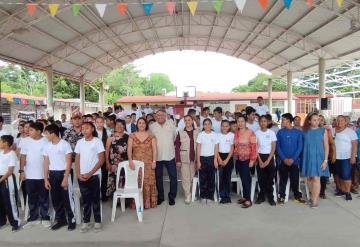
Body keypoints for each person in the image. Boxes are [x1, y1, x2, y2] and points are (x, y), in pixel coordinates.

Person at [43, 124, 76, 231]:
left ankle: (72, 220)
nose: (45, 135)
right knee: (56, 199)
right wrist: (46, 179)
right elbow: (46, 162)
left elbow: (69, 162)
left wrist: (66, 177)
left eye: (46, 133)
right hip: (52, 174)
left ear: (53, 133)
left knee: (67, 199)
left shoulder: (64, 144)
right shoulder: (47, 146)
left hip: (64, 173)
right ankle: (61, 220)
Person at [74, 122, 105, 233]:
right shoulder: (79, 142)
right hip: (81, 176)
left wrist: (90, 173)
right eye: (82, 128)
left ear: (92, 129)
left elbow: (101, 160)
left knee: (95, 199)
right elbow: (77, 160)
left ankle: (97, 221)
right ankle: (86, 221)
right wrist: (78, 174)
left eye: (87, 128)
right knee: (86, 200)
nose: (84, 130)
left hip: (94, 175)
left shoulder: (97, 142)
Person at [20, 122, 51, 229]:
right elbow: (23, 157)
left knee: (44, 197)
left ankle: (45, 217)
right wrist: (21, 171)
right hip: (29, 175)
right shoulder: (25, 141)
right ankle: (33, 218)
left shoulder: (46, 141)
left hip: (43, 175)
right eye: (29, 130)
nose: (29, 131)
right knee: (32, 198)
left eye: (31, 130)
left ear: (39, 131)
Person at [128, 118, 157, 209]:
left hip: (148, 164)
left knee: (148, 182)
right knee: (138, 182)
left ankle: (148, 203)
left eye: (143, 123)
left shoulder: (151, 136)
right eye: (139, 123)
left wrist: (154, 161)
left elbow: (155, 150)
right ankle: (137, 203)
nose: (141, 125)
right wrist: (130, 161)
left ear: (146, 125)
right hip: (136, 164)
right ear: (137, 124)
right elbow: (129, 150)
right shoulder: (132, 136)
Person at [301, 112, 329, 208]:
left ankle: (314, 200)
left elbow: (326, 146)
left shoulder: (323, 131)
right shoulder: (304, 131)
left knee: (316, 178)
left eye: (318, 120)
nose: (317, 122)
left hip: (319, 158)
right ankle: (313, 196)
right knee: (309, 179)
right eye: (314, 120)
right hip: (308, 157)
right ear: (309, 121)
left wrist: (325, 160)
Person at [276, 113, 306, 205]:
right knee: (283, 180)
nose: (282, 122)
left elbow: (300, 147)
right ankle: (281, 196)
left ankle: (297, 196)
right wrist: (284, 159)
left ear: (289, 120)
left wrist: (293, 159)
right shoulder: (280, 132)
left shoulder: (298, 133)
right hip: (283, 161)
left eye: (283, 120)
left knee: (295, 179)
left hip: (295, 161)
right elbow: (278, 147)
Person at [149, 110, 177, 206]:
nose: (160, 116)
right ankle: (160, 197)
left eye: (162, 114)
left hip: (170, 155)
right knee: (158, 178)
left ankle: (172, 197)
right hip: (157, 157)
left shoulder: (171, 125)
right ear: (155, 116)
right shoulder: (152, 127)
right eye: (158, 115)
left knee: (173, 177)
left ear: (165, 115)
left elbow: (174, 138)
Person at [233, 115, 257, 208]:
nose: (240, 123)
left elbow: (254, 147)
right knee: (242, 179)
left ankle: (248, 200)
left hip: (247, 160)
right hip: (239, 159)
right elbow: (236, 146)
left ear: (245, 122)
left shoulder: (251, 133)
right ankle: (245, 196)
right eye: (238, 121)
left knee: (246, 179)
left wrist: (252, 160)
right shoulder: (236, 132)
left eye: (242, 121)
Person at [175, 115, 200, 204]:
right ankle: (187, 195)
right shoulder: (180, 132)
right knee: (185, 177)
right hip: (184, 159)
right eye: (185, 120)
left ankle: (193, 193)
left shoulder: (197, 132)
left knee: (193, 177)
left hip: (195, 159)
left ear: (192, 121)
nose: (187, 122)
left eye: (189, 120)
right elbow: (177, 147)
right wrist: (178, 160)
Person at [333, 115, 357, 201]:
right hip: (335, 157)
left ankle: (347, 192)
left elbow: (354, 145)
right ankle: (341, 190)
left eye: (342, 120)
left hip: (346, 157)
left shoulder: (350, 132)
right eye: (338, 120)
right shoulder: (333, 130)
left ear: (345, 122)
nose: (340, 122)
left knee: (346, 175)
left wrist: (353, 157)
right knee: (338, 175)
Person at [255, 115, 277, 206]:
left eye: (265, 121)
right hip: (260, 157)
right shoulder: (256, 133)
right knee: (261, 179)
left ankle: (271, 197)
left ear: (268, 122)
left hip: (270, 157)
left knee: (270, 179)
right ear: (259, 122)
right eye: (261, 121)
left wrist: (268, 160)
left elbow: (273, 148)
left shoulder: (271, 133)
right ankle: (261, 196)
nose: (263, 123)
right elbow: (255, 148)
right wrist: (260, 161)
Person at [196, 118, 219, 204]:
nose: (207, 126)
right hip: (202, 158)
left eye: (208, 124)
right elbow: (198, 148)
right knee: (202, 178)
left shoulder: (215, 135)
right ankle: (203, 196)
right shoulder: (201, 135)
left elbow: (216, 147)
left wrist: (215, 159)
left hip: (211, 158)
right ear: (203, 126)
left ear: (211, 125)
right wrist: (198, 161)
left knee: (211, 178)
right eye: (205, 124)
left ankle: (210, 196)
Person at [0, 135, 20, 231]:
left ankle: (15, 222)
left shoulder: (11, 153)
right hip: (0, 178)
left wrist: (1, 179)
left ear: (6, 143)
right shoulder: (0, 153)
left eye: (1, 141)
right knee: (1, 201)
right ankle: (2, 220)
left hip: (7, 179)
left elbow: (10, 171)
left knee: (10, 201)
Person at [105, 120, 128, 197]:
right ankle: (115, 198)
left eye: (121, 124)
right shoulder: (110, 138)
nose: (119, 126)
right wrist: (107, 163)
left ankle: (123, 198)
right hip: (113, 164)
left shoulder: (128, 137)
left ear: (124, 126)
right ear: (114, 126)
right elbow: (107, 151)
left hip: (124, 163)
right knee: (114, 180)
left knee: (123, 179)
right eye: (117, 124)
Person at [319, 115, 336, 199]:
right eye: (318, 119)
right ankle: (314, 190)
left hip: (324, 156)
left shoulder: (327, 131)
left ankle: (322, 192)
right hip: (314, 156)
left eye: (322, 120)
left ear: (324, 122)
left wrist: (333, 155)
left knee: (324, 175)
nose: (320, 121)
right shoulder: (310, 130)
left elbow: (332, 144)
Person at [217, 120, 234, 204]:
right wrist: (219, 159)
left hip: (229, 158)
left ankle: (227, 195)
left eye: (226, 126)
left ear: (229, 127)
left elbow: (232, 149)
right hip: (219, 156)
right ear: (220, 127)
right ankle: (221, 195)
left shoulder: (232, 135)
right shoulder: (217, 135)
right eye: (223, 126)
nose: (224, 127)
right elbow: (216, 148)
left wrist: (227, 160)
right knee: (221, 177)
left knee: (227, 177)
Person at [95, 117, 109, 202]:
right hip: (94, 157)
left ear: (103, 123)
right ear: (95, 123)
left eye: (101, 122)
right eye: (98, 122)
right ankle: (96, 195)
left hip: (104, 156)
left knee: (104, 176)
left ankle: (103, 195)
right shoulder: (92, 133)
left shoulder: (107, 132)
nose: (99, 124)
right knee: (95, 177)